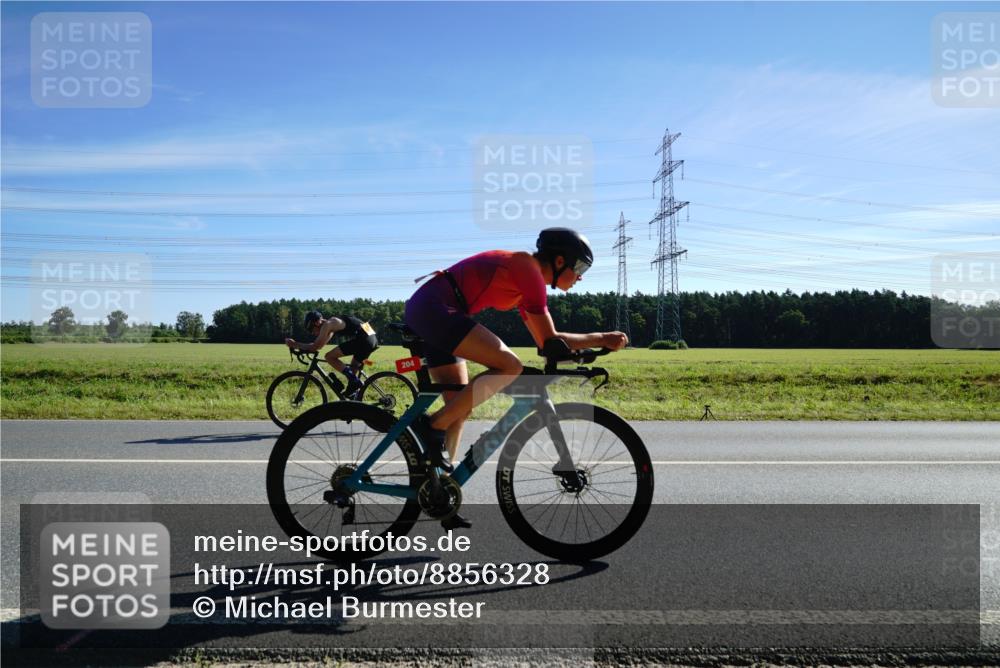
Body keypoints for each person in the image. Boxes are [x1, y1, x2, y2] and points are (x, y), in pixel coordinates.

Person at [404, 228, 628, 528]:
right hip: (437, 310)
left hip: (434, 310)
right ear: (559, 261)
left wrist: (591, 347)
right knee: (510, 366)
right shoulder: (528, 270)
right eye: (580, 268)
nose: (580, 277)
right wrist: (601, 337)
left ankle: (441, 490)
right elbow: (550, 340)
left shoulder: (527, 284)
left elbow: (547, 344)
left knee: (458, 409)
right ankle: (432, 426)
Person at [285, 311, 378, 398]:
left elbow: (315, 347)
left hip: (364, 338)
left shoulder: (328, 325)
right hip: (371, 337)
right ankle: (354, 397)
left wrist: (295, 344)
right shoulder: (331, 325)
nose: (313, 333)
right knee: (353, 370)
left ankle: (355, 381)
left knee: (329, 357)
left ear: (316, 323)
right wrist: (302, 347)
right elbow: (319, 346)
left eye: (311, 330)